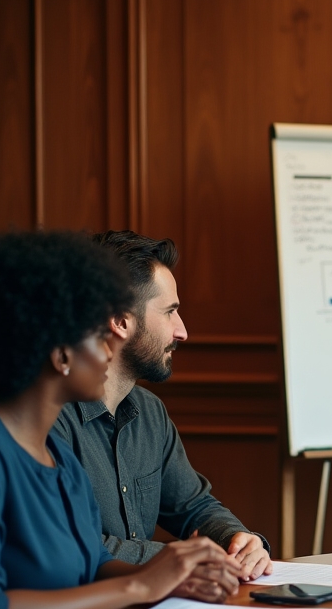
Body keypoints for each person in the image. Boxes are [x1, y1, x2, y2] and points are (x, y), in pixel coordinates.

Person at [0, 231, 242, 609]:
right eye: (100, 335)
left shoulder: (57, 457)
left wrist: (173, 578)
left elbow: (90, 562)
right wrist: (138, 585)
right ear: (60, 353)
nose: (112, 348)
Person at [53, 230, 273, 582]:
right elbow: (70, 546)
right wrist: (184, 559)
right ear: (121, 320)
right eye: (170, 311)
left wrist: (235, 541)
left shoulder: (150, 412)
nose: (182, 331)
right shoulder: (49, 420)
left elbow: (194, 506)